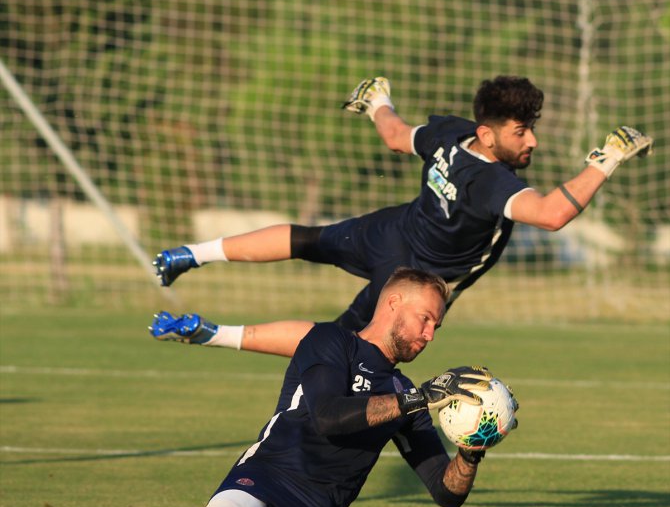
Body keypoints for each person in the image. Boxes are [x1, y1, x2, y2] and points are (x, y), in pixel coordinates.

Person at [9, 269, 511, 507]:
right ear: (393, 301)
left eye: (437, 326)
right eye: (424, 317)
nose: (429, 333)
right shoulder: (330, 342)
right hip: (264, 487)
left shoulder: (406, 393)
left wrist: (471, 447)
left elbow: (446, 493)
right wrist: (418, 400)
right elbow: (331, 417)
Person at [151, 76, 653, 357]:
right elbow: (550, 214)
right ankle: (210, 332)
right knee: (343, 348)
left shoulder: (450, 133)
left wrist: (377, 102)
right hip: (416, 280)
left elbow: (394, 135)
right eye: (521, 131)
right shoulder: (494, 182)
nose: (532, 141)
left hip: (392, 230)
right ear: (487, 134)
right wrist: (607, 158)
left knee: (307, 240)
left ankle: (190, 254)